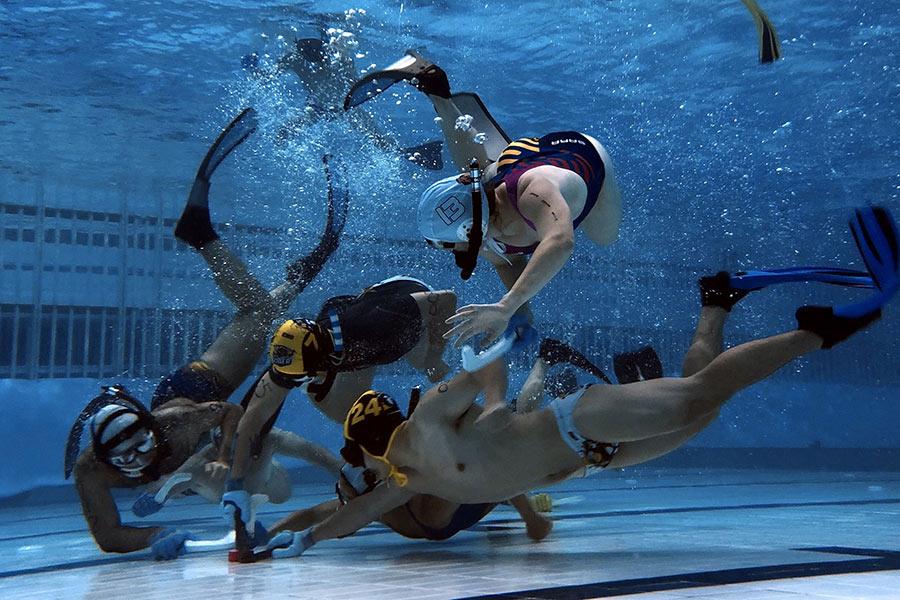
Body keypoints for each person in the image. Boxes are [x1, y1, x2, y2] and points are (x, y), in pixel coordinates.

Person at [257, 206, 897, 557]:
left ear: (370, 441)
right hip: (592, 454)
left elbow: (345, 513)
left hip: (581, 422)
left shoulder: (415, 458)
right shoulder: (412, 462)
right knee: (703, 413)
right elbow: (344, 515)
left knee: (701, 398)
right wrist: (298, 539)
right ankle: (717, 302)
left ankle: (827, 327)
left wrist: (500, 339)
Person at [64, 109, 348, 558]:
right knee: (263, 310)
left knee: (258, 312)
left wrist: (221, 455)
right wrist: (155, 537)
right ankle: (294, 269)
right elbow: (108, 536)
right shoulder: (91, 473)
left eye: (144, 447)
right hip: (193, 409)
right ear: (103, 460)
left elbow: (227, 411)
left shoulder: (174, 423)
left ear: (150, 428)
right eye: (129, 462)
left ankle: (208, 237)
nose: (142, 461)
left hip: (199, 383)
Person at [344, 51, 623, 346]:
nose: (458, 252)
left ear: (469, 230)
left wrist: (505, 305)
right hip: (509, 167)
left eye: (455, 244)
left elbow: (561, 241)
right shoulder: (483, 234)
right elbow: (506, 263)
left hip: (582, 154)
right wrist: (519, 314)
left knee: (605, 237)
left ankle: (464, 125)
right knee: (474, 176)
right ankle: (436, 92)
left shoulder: (534, 193)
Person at [222, 276, 461, 537]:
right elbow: (253, 419)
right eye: (297, 378)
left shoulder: (378, 324)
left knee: (431, 370)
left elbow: (447, 298)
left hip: (410, 320)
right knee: (349, 415)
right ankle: (387, 454)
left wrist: (435, 355)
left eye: (305, 377)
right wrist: (235, 485)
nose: (300, 381)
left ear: (323, 360)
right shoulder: (299, 354)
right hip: (356, 346)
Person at [244, 34, 443, 170]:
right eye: (308, 50)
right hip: (317, 108)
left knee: (380, 141)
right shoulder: (293, 58)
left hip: (346, 108)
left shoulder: (339, 57)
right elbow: (266, 78)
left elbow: (356, 85)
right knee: (282, 134)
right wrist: (253, 69)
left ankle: (416, 155)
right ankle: (279, 165)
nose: (317, 56)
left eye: (318, 51)